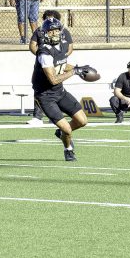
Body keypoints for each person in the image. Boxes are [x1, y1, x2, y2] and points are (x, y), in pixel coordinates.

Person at [33, 16, 89, 161]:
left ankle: (61, 133)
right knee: (67, 129)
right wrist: (74, 72)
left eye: (57, 30)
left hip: (60, 91)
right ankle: (68, 149)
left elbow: (61, 64)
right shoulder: (44, 52)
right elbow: (53, 79)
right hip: (45, 96)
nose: (54, 33)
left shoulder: (63, 45)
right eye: (51, 31)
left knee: (82, 121)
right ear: (45, 33)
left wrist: (78, 68)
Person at [27, 9, 72, 125]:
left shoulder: (64, 31)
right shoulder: (39, 31)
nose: (50, 21)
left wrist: (59, 58)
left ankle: (56, 116)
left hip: (58, 65)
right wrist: (43, 56)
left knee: (56, 89)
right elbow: (32, 46)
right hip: (44, 64)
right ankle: (37, 117)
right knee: (40, 89)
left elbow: (70, 48)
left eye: (52, 18)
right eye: (47, 18)